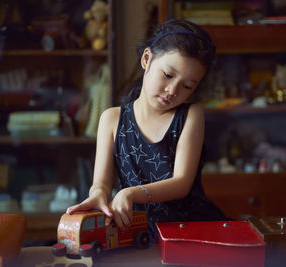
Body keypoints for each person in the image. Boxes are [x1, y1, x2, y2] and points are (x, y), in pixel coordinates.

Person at [67, 19, 227, 239]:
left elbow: (181, 183)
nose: (172, 90)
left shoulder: (190, 116)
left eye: (187, 86)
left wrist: (130, 193)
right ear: (146, 59)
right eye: (168, 75)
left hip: (189, 230)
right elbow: (101, 184)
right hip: (136, 231)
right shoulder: (112, 119)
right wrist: (97, 195)